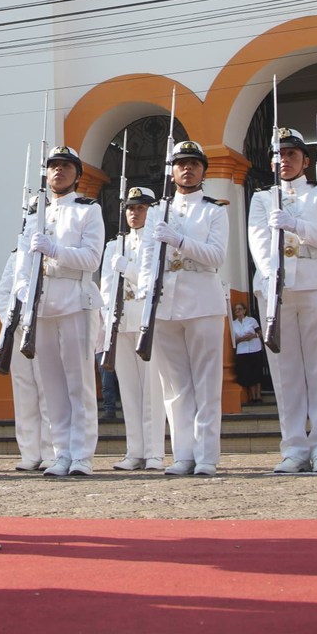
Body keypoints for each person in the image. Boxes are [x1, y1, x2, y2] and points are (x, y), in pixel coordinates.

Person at [248, 127, 317, 474]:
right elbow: (258, 242)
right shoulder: (262, 198)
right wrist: (273, 274)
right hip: (278, 286)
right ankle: (293, 447)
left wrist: (296, 225)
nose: (284, 160)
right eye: (279, 155)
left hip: (316, 281)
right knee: (285, 372)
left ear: (305, 159)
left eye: (291, 154)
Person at [19, 147, 103, 477]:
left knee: (78, 383)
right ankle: (61, 452)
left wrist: (54, 249)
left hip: (75, 299)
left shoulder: (88, 210)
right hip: (43, 303)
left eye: (66, 166)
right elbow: (24, 260)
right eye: (53, 166)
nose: (59, 172)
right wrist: (22, 289)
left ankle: (82, 454)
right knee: (51, 384)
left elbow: (91, 259)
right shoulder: (35, 211)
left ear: (77, 174)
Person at [150, 140, 230, 476]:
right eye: (181, 163)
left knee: (206, 382)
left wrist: (180, 241)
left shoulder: (214, 210)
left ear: (203, 171)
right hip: (166, 301)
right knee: (175, 385)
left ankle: (207, 455)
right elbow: (145, 259)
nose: (187, 168)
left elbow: (216, 256)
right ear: (171, 172)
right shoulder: (158, 211)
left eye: (194, 163)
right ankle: (183, 453)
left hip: (202, 298)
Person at [102, 185, 166, 471]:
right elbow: (105, 286)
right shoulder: (114, 245)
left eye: (140, 208)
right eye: (130, 208)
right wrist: (108, 318)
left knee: (152, 390)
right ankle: (134, 450)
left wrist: (126, 267)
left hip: (145, 320)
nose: (134, 213)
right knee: (128, 389)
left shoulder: (156, 242)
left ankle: (154, 452)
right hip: (122, 320)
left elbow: (151, 279)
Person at [0, 248, 51, 471]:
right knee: (23, 393)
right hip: (19, 331)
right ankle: (29, 451)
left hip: (43, 326)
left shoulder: (50, 252)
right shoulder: (16, 256)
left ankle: (50, 451)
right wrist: (11, 324)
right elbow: (3, 293)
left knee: (47, 391)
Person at [229, 298, 265, 406]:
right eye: (236, 310)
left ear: (245, 310)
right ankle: (252, 396)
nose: (238, 311)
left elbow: (260, 333)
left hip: (255, 348)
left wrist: (253, 336)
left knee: (257, 372)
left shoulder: (252, 320)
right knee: (248, 373)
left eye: (240, 309)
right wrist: (242, 339)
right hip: (242, 351)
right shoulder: (233, 324)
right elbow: (233, 339)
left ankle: (258, 395)